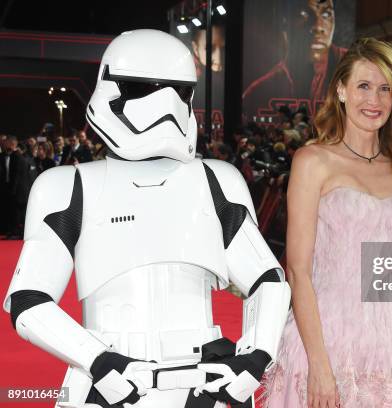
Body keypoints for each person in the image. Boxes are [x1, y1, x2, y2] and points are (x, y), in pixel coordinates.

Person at [4, 29, 291, 407]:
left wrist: (255, 358)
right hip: (110, 375)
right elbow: (28, 300)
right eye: (144, 89)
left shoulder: (216, 181)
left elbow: (268, 280)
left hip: (208, 377)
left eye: (180, 91)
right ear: (110, 89)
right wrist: (100, 360)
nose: (166, 106)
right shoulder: (67, 187)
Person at [263, 38, 392, 407]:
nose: (374, 100)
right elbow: (299, 270)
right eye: (364, 86)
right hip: (325, 342)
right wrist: (319, 365)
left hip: (390, 352)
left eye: (385, 89)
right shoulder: (313, 162)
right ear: (341, 90)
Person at [242, 0, 347, 120]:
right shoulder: (259, 93)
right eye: (303, 15)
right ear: (284, 22)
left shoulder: (353, 65)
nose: (318, 27)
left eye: (326, 14)